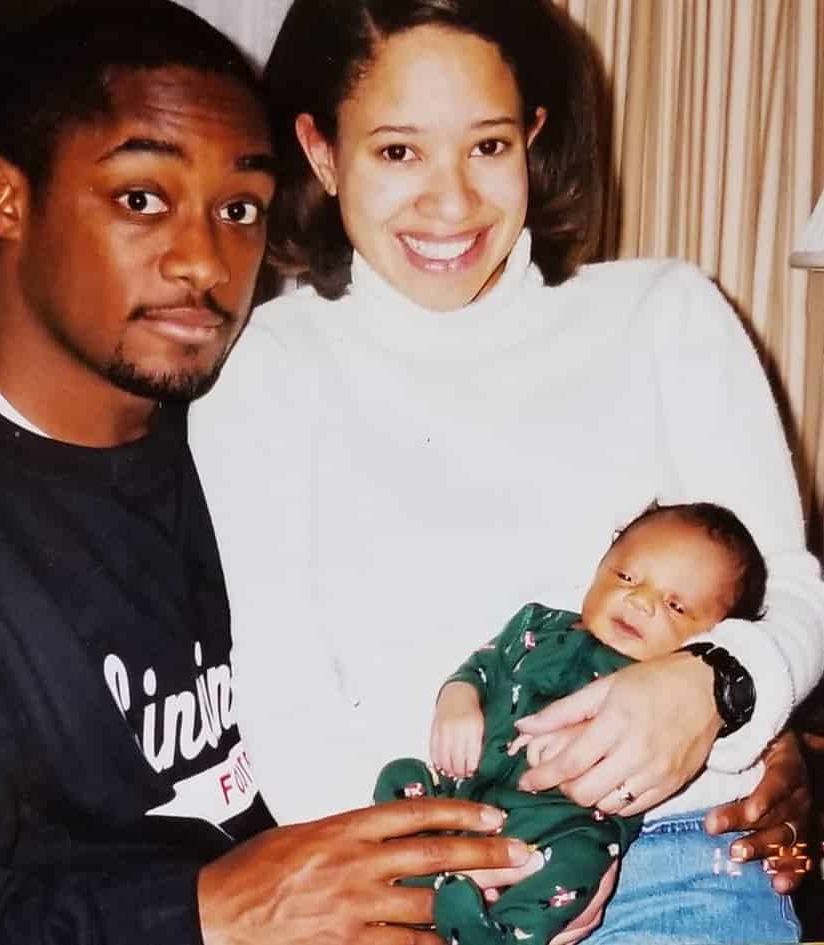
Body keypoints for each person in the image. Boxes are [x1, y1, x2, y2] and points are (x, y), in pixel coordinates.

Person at [0, 3, 541, 943]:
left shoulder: (259, 420)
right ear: (7, 199)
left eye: (239, 210)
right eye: (141, 198)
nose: (205, 260)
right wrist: (205, 910)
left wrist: (725, 744)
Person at [187, 0, 824, 938]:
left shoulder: (665, 314)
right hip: (414, 869)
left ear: (533, 136)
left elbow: (793, 592)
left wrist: (713, 682)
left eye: (486, 146)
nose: (451, 204)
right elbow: (283, 700)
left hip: (676, 850)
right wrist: (458, 870)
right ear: (320, 153)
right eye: (397, 152)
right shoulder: (266, 370)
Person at [375, 501, 780, 945]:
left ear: (713, 637)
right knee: (401, 775)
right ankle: (412, 881)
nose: (639, 601)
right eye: (626, 577)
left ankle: (503, 934)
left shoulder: (671, 703)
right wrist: (457, 701)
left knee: (580, 860)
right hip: (464, 793)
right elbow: (483, 666)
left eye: (675, 605)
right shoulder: (537, 625)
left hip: (562, 828)